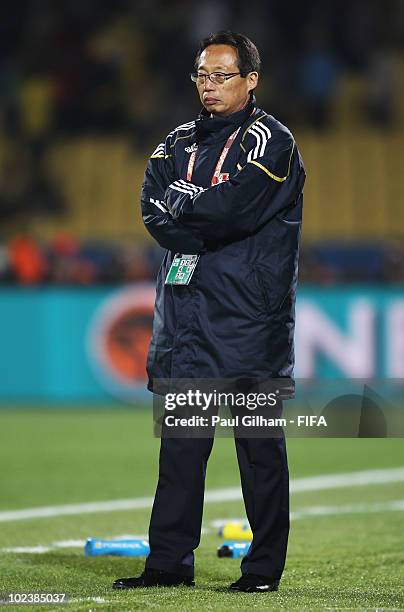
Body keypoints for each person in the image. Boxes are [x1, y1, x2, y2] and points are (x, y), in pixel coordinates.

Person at [113, 30, 305, 593]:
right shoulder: (176, 140)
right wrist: (193, 210)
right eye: (202, 75)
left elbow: (234, 211)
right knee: (180, 452)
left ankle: (263, 569)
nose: (210, 86)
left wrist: (188, 207)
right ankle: (168, 564)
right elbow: (152, 205)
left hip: (250, 321)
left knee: (259, 453)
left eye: (223, 76)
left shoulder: (273, 141)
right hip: (187, 320)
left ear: (251, 81)